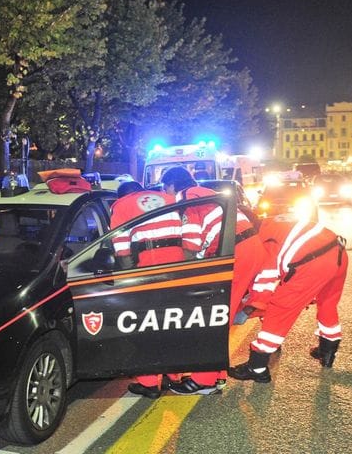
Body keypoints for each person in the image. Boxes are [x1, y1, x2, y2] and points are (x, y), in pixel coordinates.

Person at [160, 166, 268, 395]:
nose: (165, 192)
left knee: (214, 317)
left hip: (237, 253)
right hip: (248, 248)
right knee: (222, 314)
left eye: (165, 187)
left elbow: (190, 244)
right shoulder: (205, 192)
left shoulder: (186, 198)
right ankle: (217, 376)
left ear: (171, 185)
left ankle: (204, 380)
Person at [229, 215, 349, 383]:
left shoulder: (262, 242)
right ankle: (327, 351)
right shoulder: (272, 222)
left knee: (279, 309)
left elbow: (264, 281)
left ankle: (257, 367)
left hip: (311, 263)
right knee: (327, 302)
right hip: (337, 251)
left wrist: (249, 307)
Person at [110, 180, 185, 399]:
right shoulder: (168, 198)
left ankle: (150, 383)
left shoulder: (121, 205)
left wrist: (126, 276)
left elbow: (121, 244)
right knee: (173, 322)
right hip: (178, 263)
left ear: (121, 195)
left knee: (148, 325)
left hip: (150, 265)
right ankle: (176, 376)